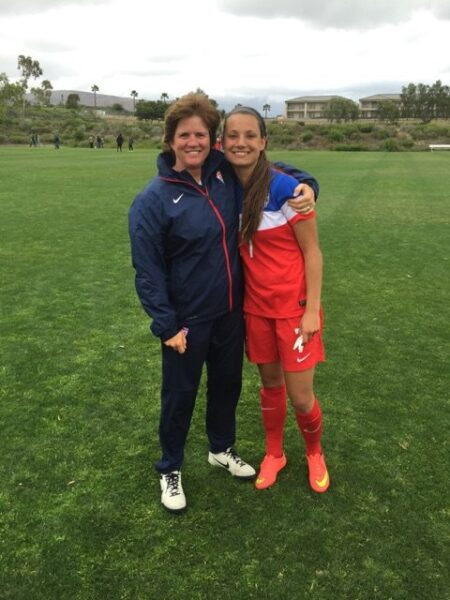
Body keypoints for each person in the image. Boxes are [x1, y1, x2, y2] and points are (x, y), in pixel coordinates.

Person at [128, 93, 319, 513]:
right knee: (179, 395)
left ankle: (221, 448)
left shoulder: (221, 175)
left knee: (226, 386)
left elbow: (271, 170)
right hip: (186, 320)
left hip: (231, 311)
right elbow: (147, 271)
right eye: (184, 135)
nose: (193, 142)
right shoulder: (153, 199)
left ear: (210, 140)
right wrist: (166, 325)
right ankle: (170, 467)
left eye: (200, 134)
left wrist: (309, 184)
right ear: (170, 140)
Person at [222, 106, 329, 494]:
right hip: (256, 310)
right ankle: (275, 454)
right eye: (233, 136)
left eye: (250, 135)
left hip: (294, 312)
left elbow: (313, 253)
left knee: (301, 397)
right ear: (222, 142)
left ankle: (314, 453)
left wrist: (312, 311)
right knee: (270, 386)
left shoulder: (286, 189)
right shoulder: (225, 186)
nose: (241, 143)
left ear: (264, 141)